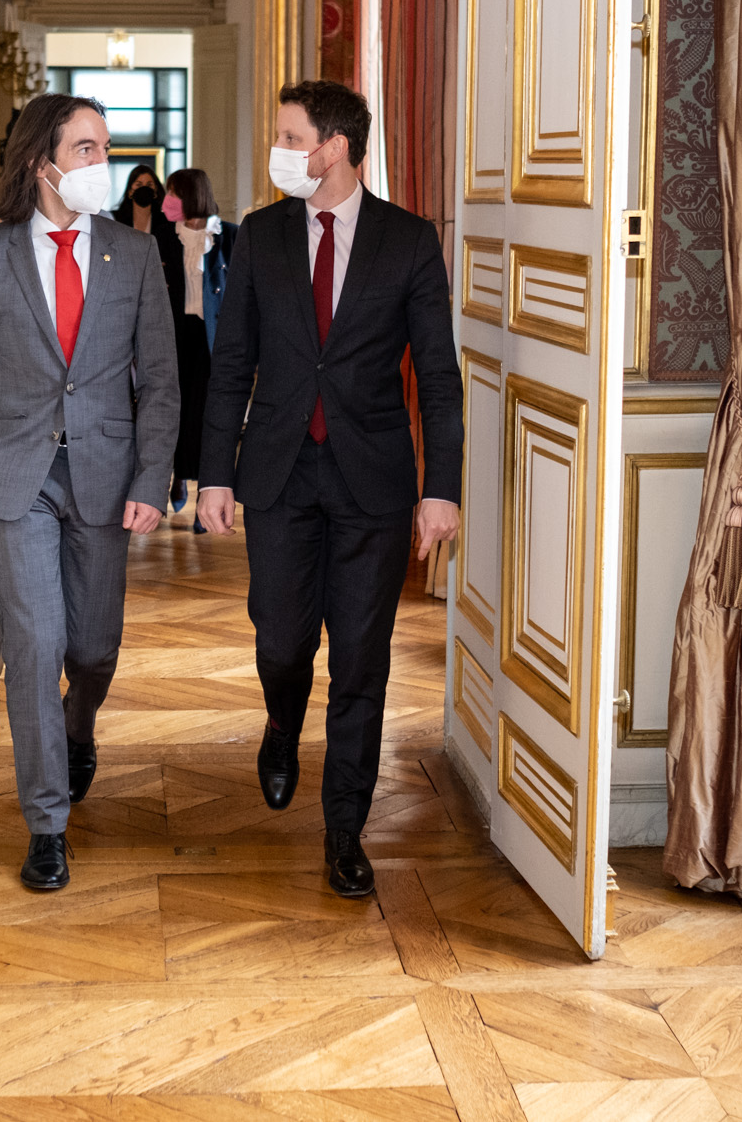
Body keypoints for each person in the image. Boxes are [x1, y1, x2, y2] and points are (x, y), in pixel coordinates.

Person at [197, 80, 462, 898]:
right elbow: (231, 360)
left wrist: (440, 488)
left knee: (360, 660)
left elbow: (441, 379)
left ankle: (344, 826)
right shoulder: (263, 237)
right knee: (281, 639)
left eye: (290, 135)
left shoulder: (410, 242)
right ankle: (282, 720)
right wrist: (213, 472)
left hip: (372, 482)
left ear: (336, 146)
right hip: (277, 471)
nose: (280, 149)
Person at [0, 93, 180, 892]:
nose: (101, 163)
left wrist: (153, 479)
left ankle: (80, 726)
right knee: (38, 648)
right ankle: (47, 823)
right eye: (87, 149)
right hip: (18, 480)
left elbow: (163, 384)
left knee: (94, 649)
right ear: (45, 163)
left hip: (108, 480)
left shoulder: (134, 255)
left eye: (105, 148)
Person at [154, 168, 237, 523]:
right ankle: (177, 477)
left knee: (206, 414)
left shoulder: (230, 236)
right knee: (174, 410)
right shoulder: (160, 237)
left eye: (172, 193)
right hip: (173, 336)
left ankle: (207, 489)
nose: (166, 201)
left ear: (191, 195)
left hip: (212, 338)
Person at [112, 163, 169, 236]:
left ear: (155, 192)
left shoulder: (166, 222)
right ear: (130, 192)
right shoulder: (115, 219)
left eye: (149, 185)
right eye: (139, 185)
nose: (144, 189)